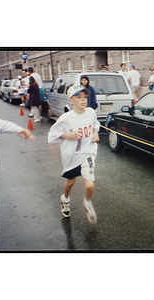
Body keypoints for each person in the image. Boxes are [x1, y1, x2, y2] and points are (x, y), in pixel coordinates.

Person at [48, 85, 100, 224]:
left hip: (87, 152)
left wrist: (95, 133)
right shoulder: (66, 118)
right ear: (71, 100)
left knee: (89, 185)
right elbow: (52, 136)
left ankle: (87, 202)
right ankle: (65, 199)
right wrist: (67, 135)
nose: (83, 100)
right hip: (71, 156)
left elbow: (96, 124)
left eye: (85, 97)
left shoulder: (90, 113)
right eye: (78, 97)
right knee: (70, 182)